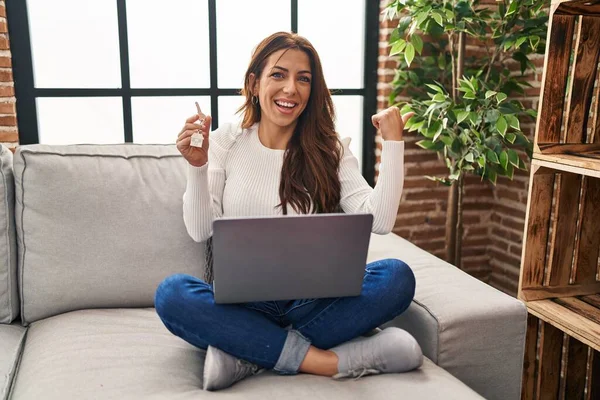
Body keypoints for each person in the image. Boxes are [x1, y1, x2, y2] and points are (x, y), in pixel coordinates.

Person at [155, 31, 423, 392]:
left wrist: (393, 144)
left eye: (303, 79)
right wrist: (198, 167)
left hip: (313, 302)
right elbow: (201, 231)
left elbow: (382, 220)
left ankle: (248, 353)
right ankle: (328, 361)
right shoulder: (225, 142)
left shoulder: (330, 150)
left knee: (396, 276)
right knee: (172, 294)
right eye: (278, 75)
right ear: (254, 83)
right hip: (245, 305)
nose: (291, 89)